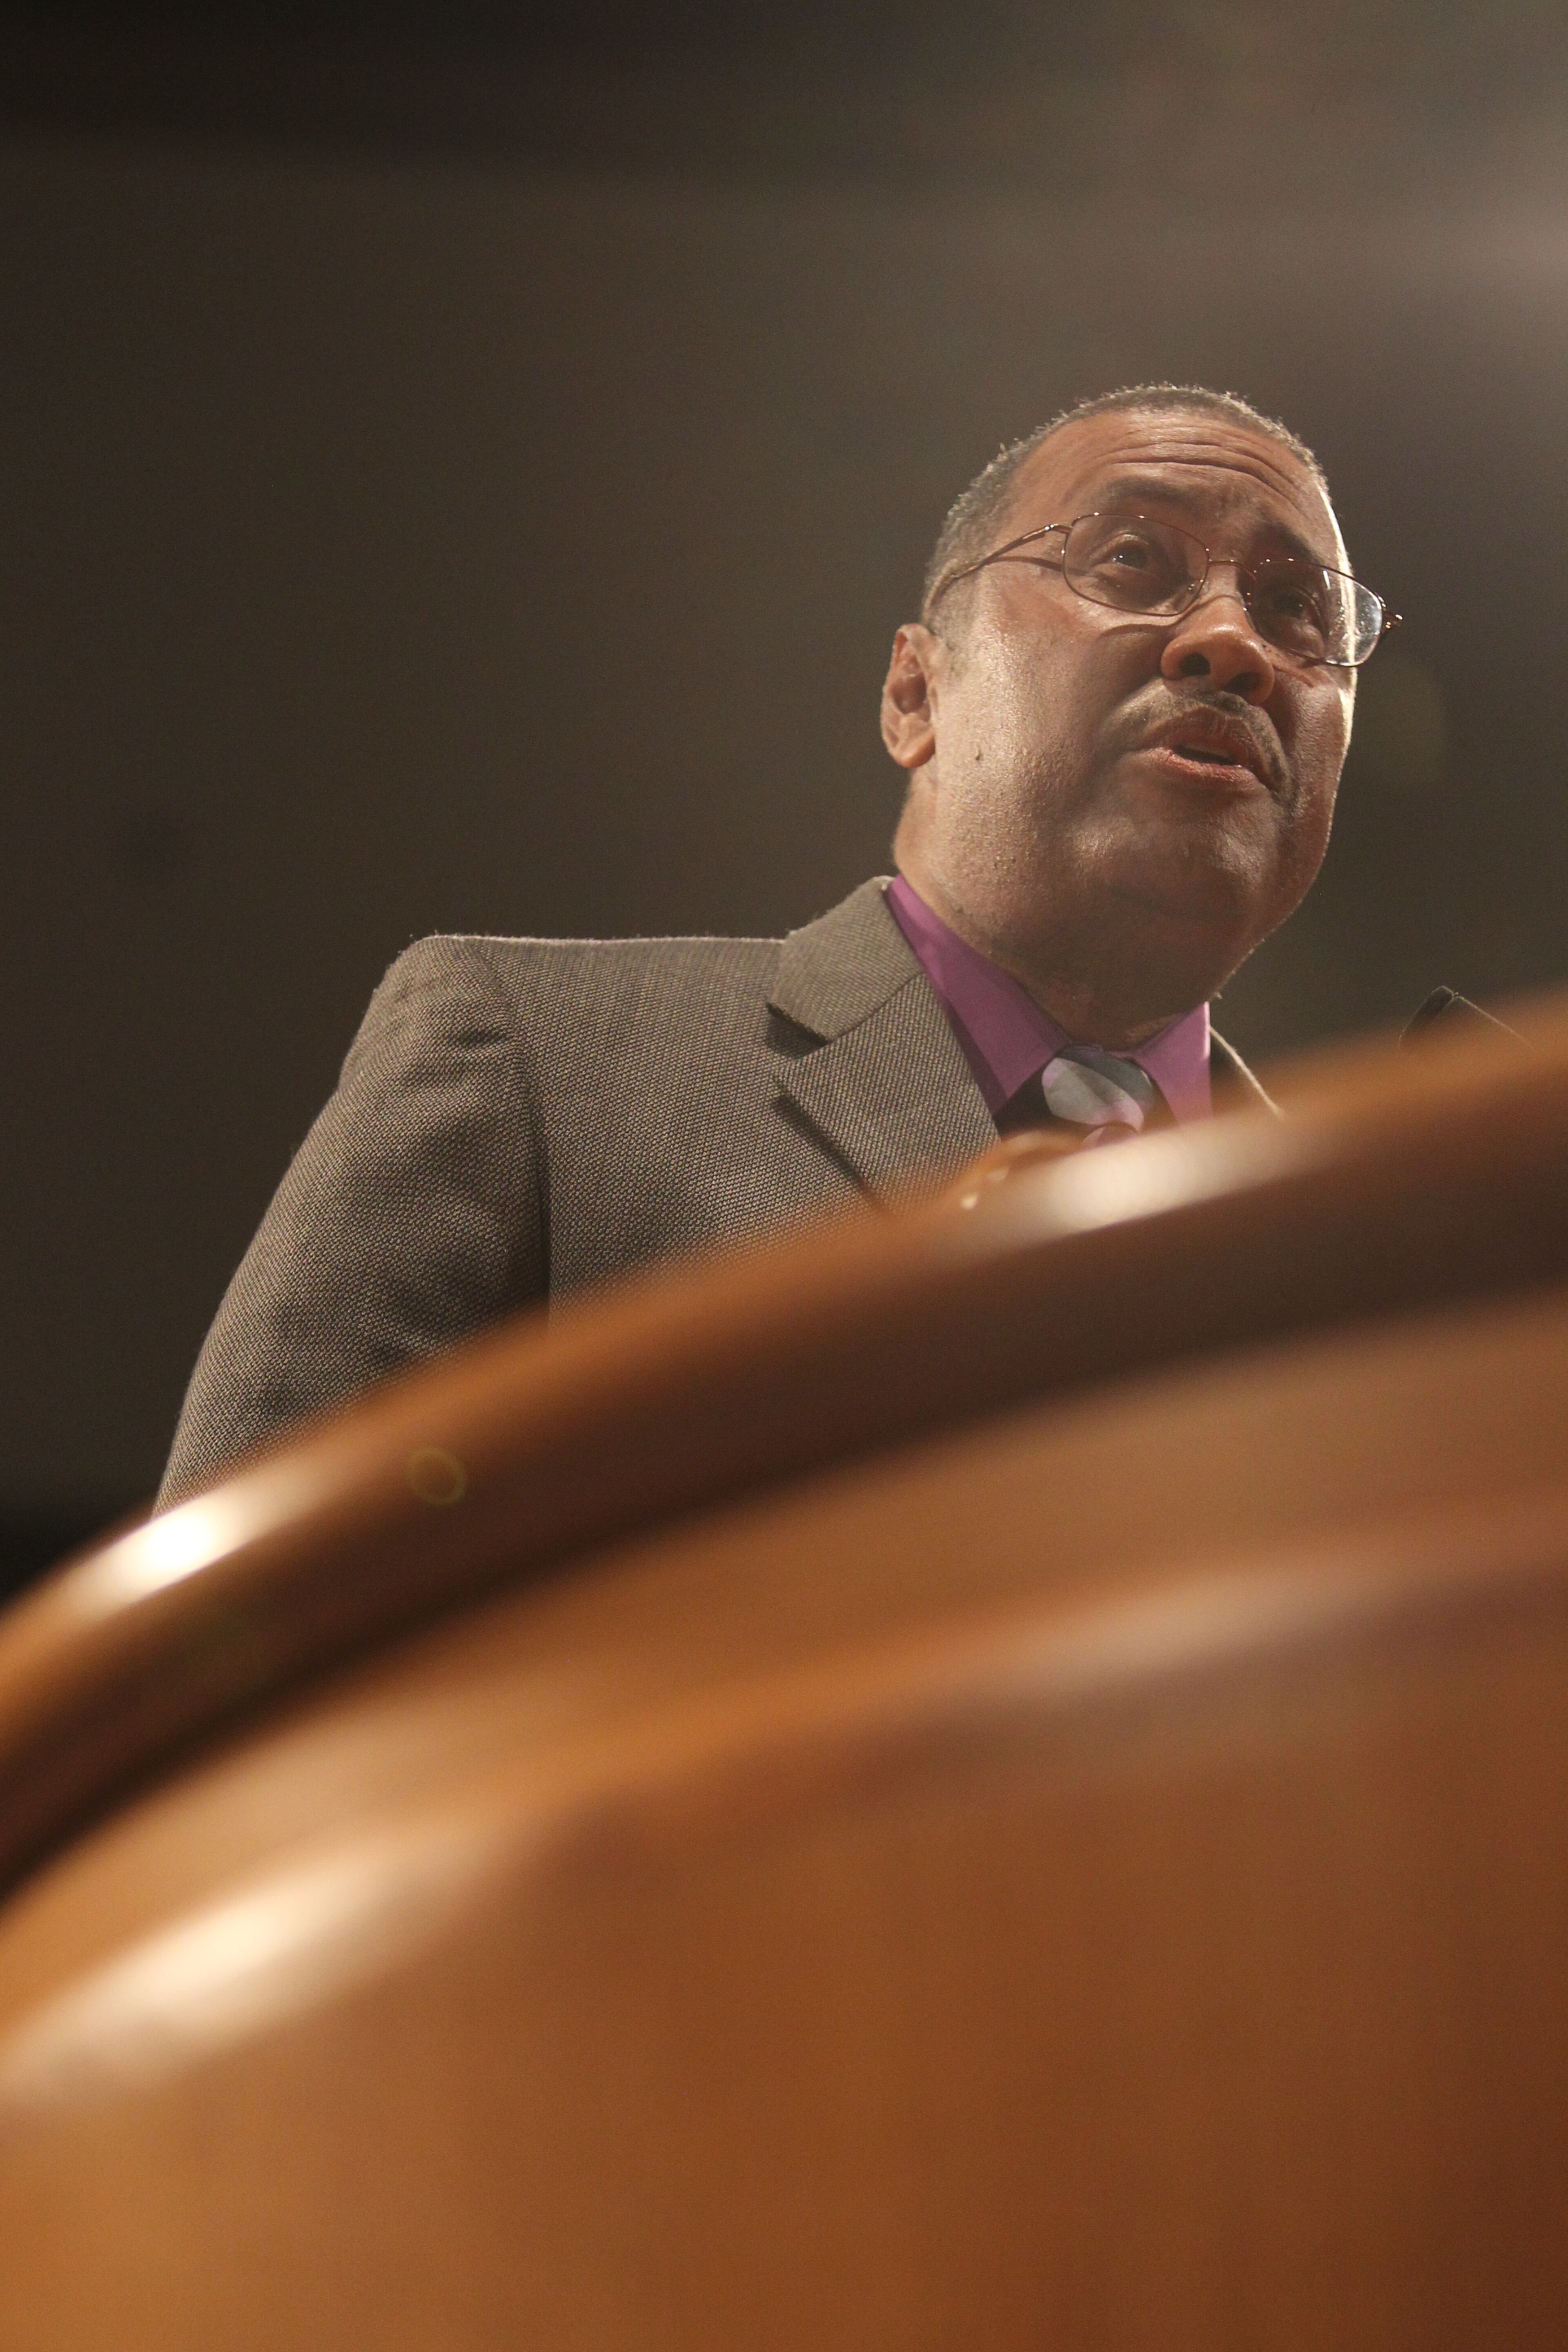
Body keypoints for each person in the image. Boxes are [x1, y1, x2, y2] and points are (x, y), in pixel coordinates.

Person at [157, 381, 1394, 1506]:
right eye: (1133, 559)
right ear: (916, 695)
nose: (1232, 643)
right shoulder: (539, 1059)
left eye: (1297, 610)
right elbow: (226, 1674)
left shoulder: (1388, 1277)